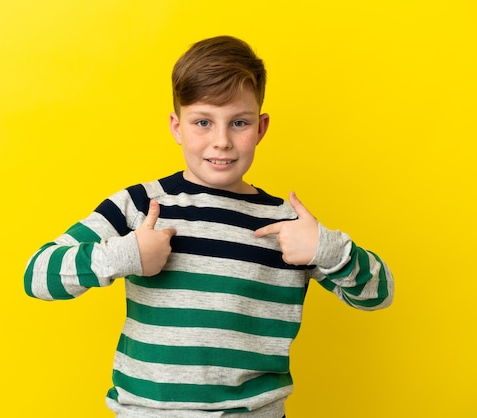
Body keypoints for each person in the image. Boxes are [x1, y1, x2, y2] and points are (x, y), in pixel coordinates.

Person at [24, 35, 394, 418]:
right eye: (203, 122)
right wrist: (126, 253)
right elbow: (38, 275)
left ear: (261, 128)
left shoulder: (286, 223)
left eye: (239, 123)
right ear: (177, 126)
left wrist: (328, 250)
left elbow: (379, 294)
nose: (222, 142)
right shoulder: (140, 206)